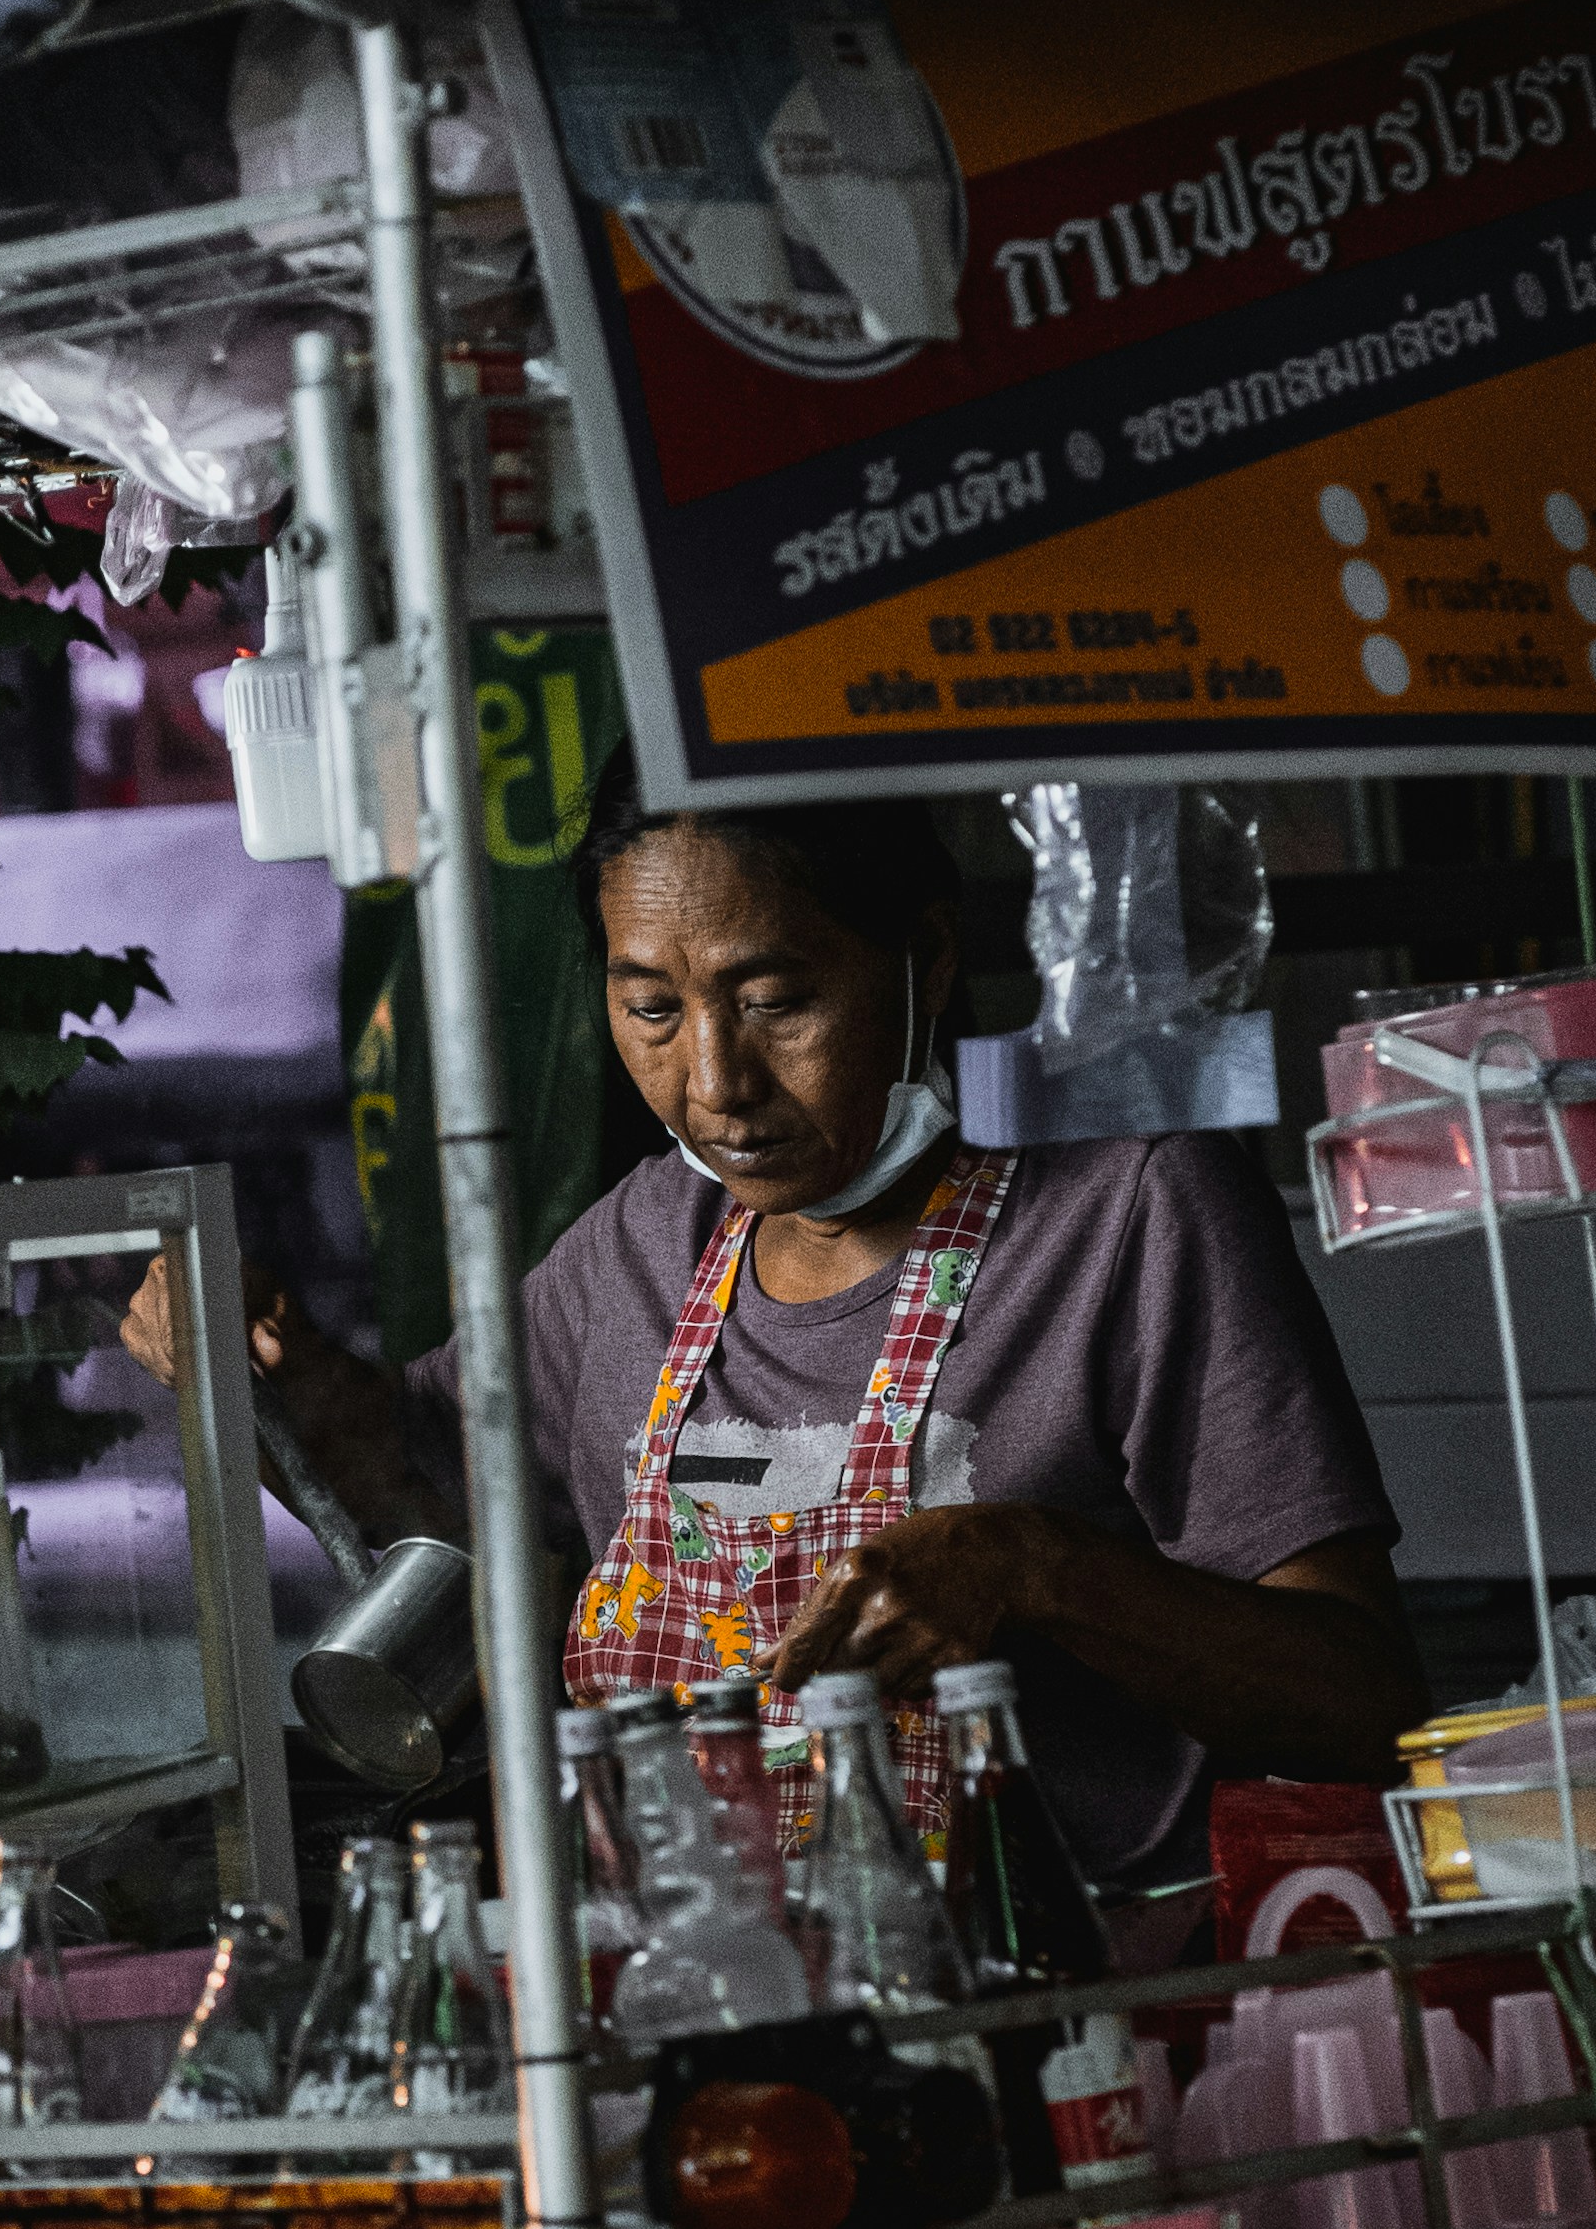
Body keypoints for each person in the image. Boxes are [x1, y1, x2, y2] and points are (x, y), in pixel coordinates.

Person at [240, 763, 1415, 1887]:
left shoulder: (1132, 1215)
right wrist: (261, 1368)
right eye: (651, 1007)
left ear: (928, 957)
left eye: (775, 1002)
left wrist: (1037, 1567)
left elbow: (1359, 1698)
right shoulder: (644, 1241)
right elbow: (406, 1482)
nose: (714, 1081)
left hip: (1070, 1983)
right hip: (712, 1980)